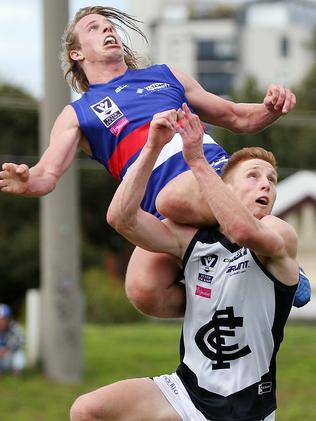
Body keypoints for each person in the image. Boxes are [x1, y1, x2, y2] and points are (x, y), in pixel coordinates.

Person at [0, 6, 309, 317]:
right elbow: (47, 174)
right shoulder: (78, 113)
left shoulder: (165, 75)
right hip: (161, 213)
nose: (108, 31)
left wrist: (272, 107)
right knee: (143, 289)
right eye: (94, 28)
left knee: (172, 197)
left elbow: (236, 117)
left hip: (211, 175)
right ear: (77, 54)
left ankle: (281, 260)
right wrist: (27, 181)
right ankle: (239, 291)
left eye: (110, 26)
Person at [69, 106, 298, 421]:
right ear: (225, 187)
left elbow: (243, 231)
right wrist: (152, 148)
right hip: (187, 392)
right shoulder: (193, 239)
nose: (266, 185)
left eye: (272, 180)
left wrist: (198, 161)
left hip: (245, 408)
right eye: (253, 176)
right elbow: (121, 218)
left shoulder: (278, 231)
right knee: (87, 410)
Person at [0, 304, 25, 376]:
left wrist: (7, 348)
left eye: (5, 319)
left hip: (9, 357)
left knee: (19, 351)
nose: (3, 322)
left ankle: (17, 373)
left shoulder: (14, 327)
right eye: (1, 319)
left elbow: (22, 340)